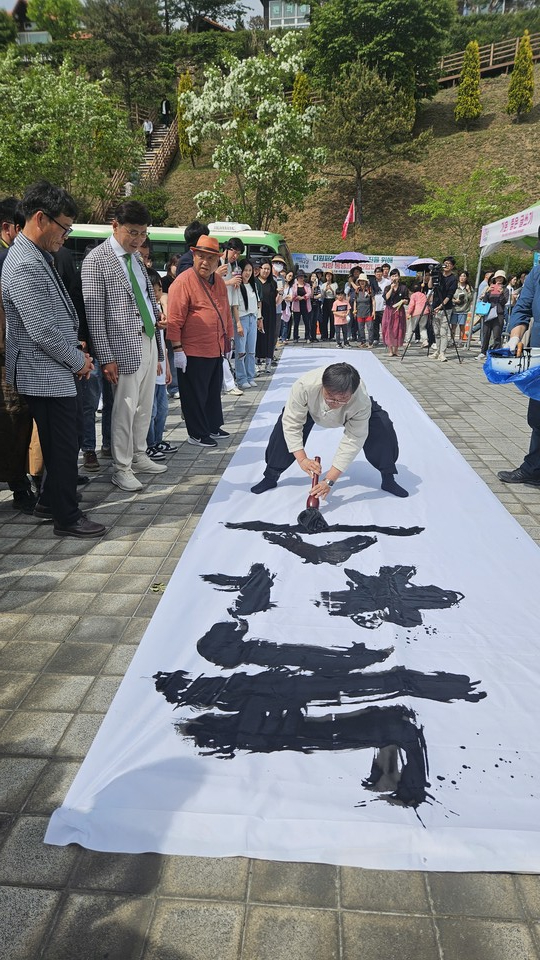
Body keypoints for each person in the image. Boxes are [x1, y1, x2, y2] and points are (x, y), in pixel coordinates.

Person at [3, 180, 106, 538]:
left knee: (63, 442)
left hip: (54, 366)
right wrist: (78, 361)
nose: (66, 235)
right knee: (63, 448)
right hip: (44, 372)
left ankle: (50, 501)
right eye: (64, 227)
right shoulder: (23, 264)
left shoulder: (35, 255)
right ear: (41, 219)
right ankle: (67, 517)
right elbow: (41, 331)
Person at [82, 199, 167, 493]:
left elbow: (146, 300)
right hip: (120, 348)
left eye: (143, 233)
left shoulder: (137, 260)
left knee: (145, 405)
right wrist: (105, 357)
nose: (138, 239)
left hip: (148, 339)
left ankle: (139, 454)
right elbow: (95, 315)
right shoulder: (96, 260)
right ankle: (121, 467)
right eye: (133, 232)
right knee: (124, 409)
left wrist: (157, 337)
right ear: (115, 225)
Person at [250, 362, 408, 498]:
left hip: (354, 412)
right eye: (330, 397)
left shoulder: (361, 401)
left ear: (352, 393)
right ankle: (271, 476)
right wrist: (302, 459)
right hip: (311, 408)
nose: (335, 403)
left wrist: (329, 480)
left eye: (342, 399)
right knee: (284, 429)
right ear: (323, 386)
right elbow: (292, 422)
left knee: (383, 428)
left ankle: (388, 478)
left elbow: (353, 439)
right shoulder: (305, 386)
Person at [167, 235, 233, 448]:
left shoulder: (219, 281)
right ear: (194, 256)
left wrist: (228, 340)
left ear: (217, 261)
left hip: (215, 346)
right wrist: (177, 349)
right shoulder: (183, 281)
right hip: (192, 349)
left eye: (210, 258)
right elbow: (175, 319)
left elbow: (225, 312)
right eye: (201, 256)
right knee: (195, 393)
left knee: (213, 391)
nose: (205, 262)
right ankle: (197, 433)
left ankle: (213, 425)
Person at [0, 199, 36, 514]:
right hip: (7, 357)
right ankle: (20, 487)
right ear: (9, 228)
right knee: (13, 421)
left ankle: (20, 484)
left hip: (9, 355)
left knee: (15, 422)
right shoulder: (10, 259)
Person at [497, 260, 540, 486]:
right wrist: (515, 337)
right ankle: (534, 468)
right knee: (538, 416)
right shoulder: (537, 272)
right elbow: (523, 307)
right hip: (539, 357)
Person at [145, 269, 177, 460]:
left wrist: (165, 366)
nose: (158, 293)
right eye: (154, 289)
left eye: (159, 289)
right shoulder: (147, 310)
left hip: (160, 366)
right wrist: (156, 361)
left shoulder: (157, 311)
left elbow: (162, 342)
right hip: (152, 365)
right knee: (151, 409)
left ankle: (157, 440)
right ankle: (149, 444)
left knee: (162, 408)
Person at [235, 258, 261, 390]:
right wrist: (238, 323)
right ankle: (241, 378)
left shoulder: (253, 285)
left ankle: (250, 376)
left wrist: (259, 318)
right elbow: (234, 306)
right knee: (241, 351)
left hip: (252, 318)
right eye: (245, 270)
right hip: (242, 318)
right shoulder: (236, 285)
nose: (248, 273)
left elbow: (257, 303)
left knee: (251, 350)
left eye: (250, 270)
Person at [428, 256, 458, 363]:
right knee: (436, 331)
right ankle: (437, 351)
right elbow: (430, 286)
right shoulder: (439, 275)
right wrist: (432, 274)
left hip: (446, 308)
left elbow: (449, 295)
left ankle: (442, 353)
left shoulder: (453, 279)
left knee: (443, 331)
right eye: (445, 263)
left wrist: (440, 306)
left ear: (453, 266)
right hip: (434, 306)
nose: (446, 265)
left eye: (449, 264)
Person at [476, 270, 507, 360]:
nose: (499, 279)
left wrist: (501, 294)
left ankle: (496, 352)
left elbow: (504, 302)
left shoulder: (505, 290)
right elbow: (484, 301)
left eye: (501, 278)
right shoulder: (490, 288)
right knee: (486, 333)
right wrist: (487, 292)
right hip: (488, 313)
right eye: (497, 277)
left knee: (497, 334)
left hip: (498, 314)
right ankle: (483, 351)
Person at [256, 259, 279, 369]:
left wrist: (281, 294)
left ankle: (268, 362)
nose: (266, 271)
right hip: (257, 313)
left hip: (270, 314)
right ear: (260, 269)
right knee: (258, 337)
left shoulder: (273, 283)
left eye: (268, 269)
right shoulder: (255, 282)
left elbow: (276, 301)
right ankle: (257, 360)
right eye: (264, 268)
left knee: (270, 336)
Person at [382, 269, 409, 357]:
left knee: (398, 329)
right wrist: (391, 288)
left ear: (399, 277)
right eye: (393, 276)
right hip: (389, 310)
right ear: (390, 278)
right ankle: (390, 350)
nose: (394, 278)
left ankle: (396, 350)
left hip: (399, 310)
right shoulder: (387, 287)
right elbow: (386, 297)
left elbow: (407, 299)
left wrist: (405, 301)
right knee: (389, 329)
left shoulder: (403, 287)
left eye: (396, 276)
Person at [450, 270, 473, 343]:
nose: (462, 278)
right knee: (453, 325)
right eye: (461, 276)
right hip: (454, 309)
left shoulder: (468, 287)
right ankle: (452, 340)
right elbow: (450, 296)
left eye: (464, 276)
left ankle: (460, 341)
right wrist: (454, 301)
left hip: (464, 310)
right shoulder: (455, 286)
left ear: (467, 278)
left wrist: (469, 291)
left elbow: (471, 299)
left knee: (462, 326)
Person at [370, 265, 390, 346]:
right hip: (375, 307)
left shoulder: (387, 282)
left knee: (385, 324)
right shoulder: (372, 282)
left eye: (380, 272)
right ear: (374, 274)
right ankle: (376, 339)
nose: (378, 274)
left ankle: (386, 339)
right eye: (377, 272)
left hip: (384, 307)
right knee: (375, 325)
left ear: (382, 273)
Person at [290, 269, 312, 343]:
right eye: (299, 277)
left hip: (305, 306)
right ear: (297, 278)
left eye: (302, 277)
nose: (301, 278)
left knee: (307, 322)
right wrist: (297, 298)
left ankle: (307, 337)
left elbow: (309, 293)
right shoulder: (294, 286)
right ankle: (295, 337)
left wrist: (302, 297)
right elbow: (292, 295)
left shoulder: (307, 285)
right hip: (297, 306)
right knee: (296, 323)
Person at [406, 282, 429, 348]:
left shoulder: (413, 295)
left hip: (416, 313)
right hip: (424, 312)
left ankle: (408, 341)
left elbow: (411, 305)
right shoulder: (423, 295)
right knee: (423, 327)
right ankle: (425, 341)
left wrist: (408, 313)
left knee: (411, 327)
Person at [355, 273, 374, 347]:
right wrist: (354, 310)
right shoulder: (357, 290)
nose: (362, 282)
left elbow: (373, 300)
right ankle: (363, 342)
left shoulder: (369, 290)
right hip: (359, 312)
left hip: (368, 312)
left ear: (366, 282)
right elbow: (355, 301)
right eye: (360, 281)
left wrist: (373, 311)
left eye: (363, 281)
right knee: (360, 328)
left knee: (370, 328)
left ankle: (370, 343)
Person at [320, 270, 337, 341]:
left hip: (332, 300)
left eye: (330, 275)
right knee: (325, 319)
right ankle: (324, 335)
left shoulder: (335, 284)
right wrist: (325, 290)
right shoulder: (323, 285)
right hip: (326, 301)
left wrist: (332, 290)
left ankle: (332, 336)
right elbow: (322, 296)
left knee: (332, 319)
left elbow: (336, 295)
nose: (328, 276)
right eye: (327, 275)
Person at [309, 271, 322, 342]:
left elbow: (320, 295)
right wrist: (313, 288)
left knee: (315, 321)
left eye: (315, 276)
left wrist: (314, 297)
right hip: (309, 304)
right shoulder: (308, 286)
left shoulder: (318, 286)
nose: (314, 278)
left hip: (316, 305)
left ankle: (314, 337)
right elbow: (310, 295)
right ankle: (309, 336)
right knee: (310, 321)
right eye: (312, 276)